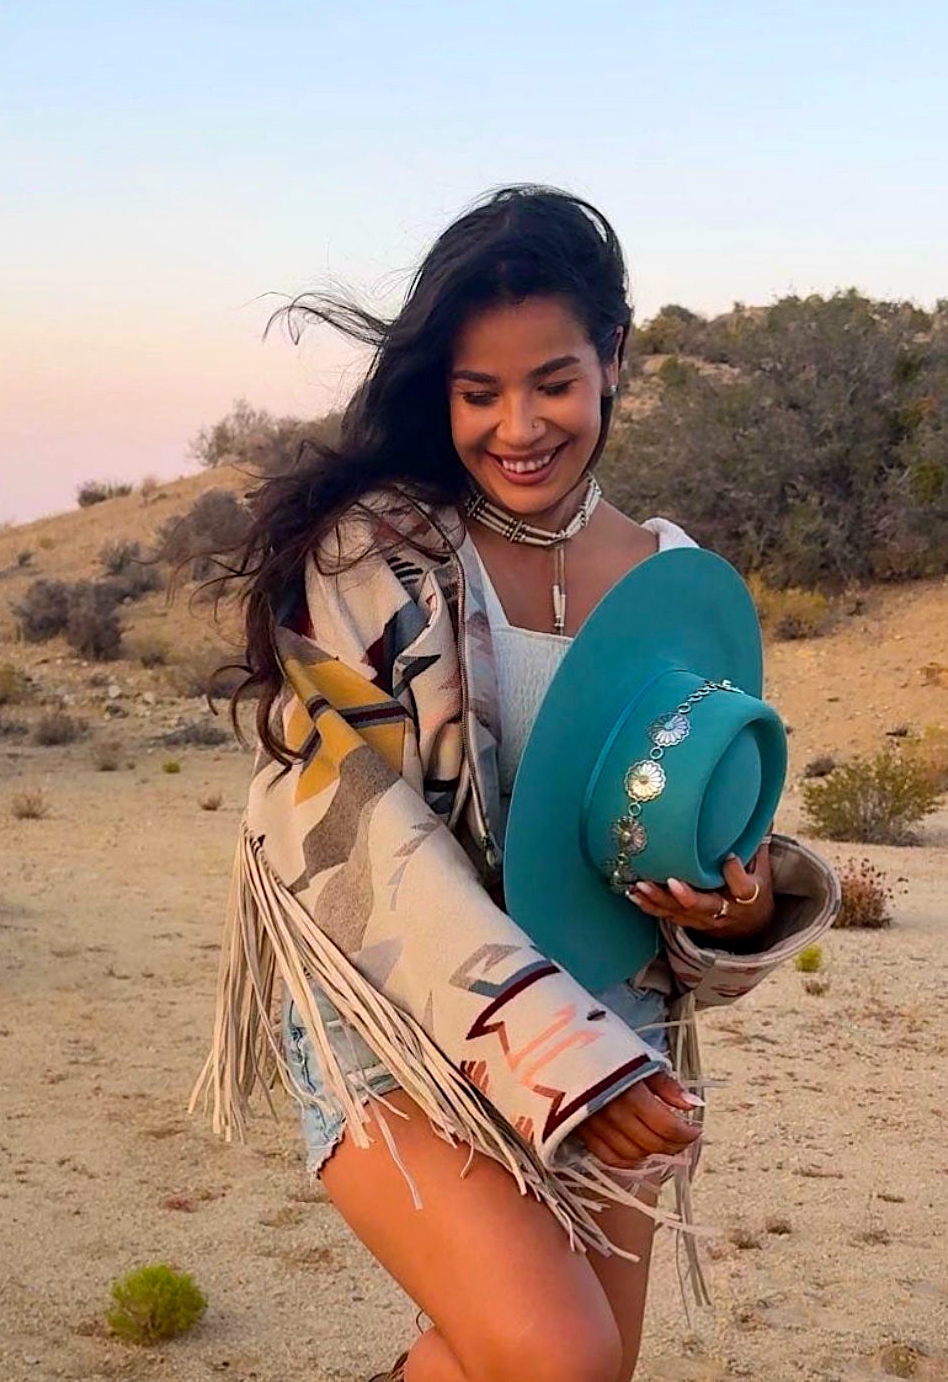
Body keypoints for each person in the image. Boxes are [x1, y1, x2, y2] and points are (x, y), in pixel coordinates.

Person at [191, 185, 839, 1382]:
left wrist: (736, 904)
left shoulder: (678, 584)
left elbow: (674, 829)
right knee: (558, 1356)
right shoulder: (372, 556)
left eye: (551, 381)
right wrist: (558, 1058)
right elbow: (345, 825)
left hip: (616, 1025)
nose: (517, 425)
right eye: (477, 392)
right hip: (403, 1014)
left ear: (613, 363)